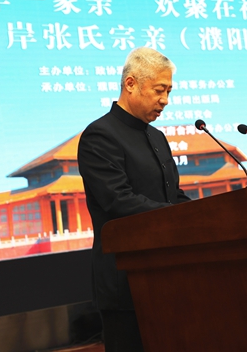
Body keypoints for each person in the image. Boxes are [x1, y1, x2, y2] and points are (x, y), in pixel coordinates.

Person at [77, 47, 190, 351]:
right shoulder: (100, 135)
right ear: (130, 84)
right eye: (159, 90)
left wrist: (206, 214)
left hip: (169, 274)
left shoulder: (156, 137)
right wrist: (178, 217)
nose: (165, 100)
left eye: (169, 91)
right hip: (126, 281)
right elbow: (119, 201)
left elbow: (173, 195)